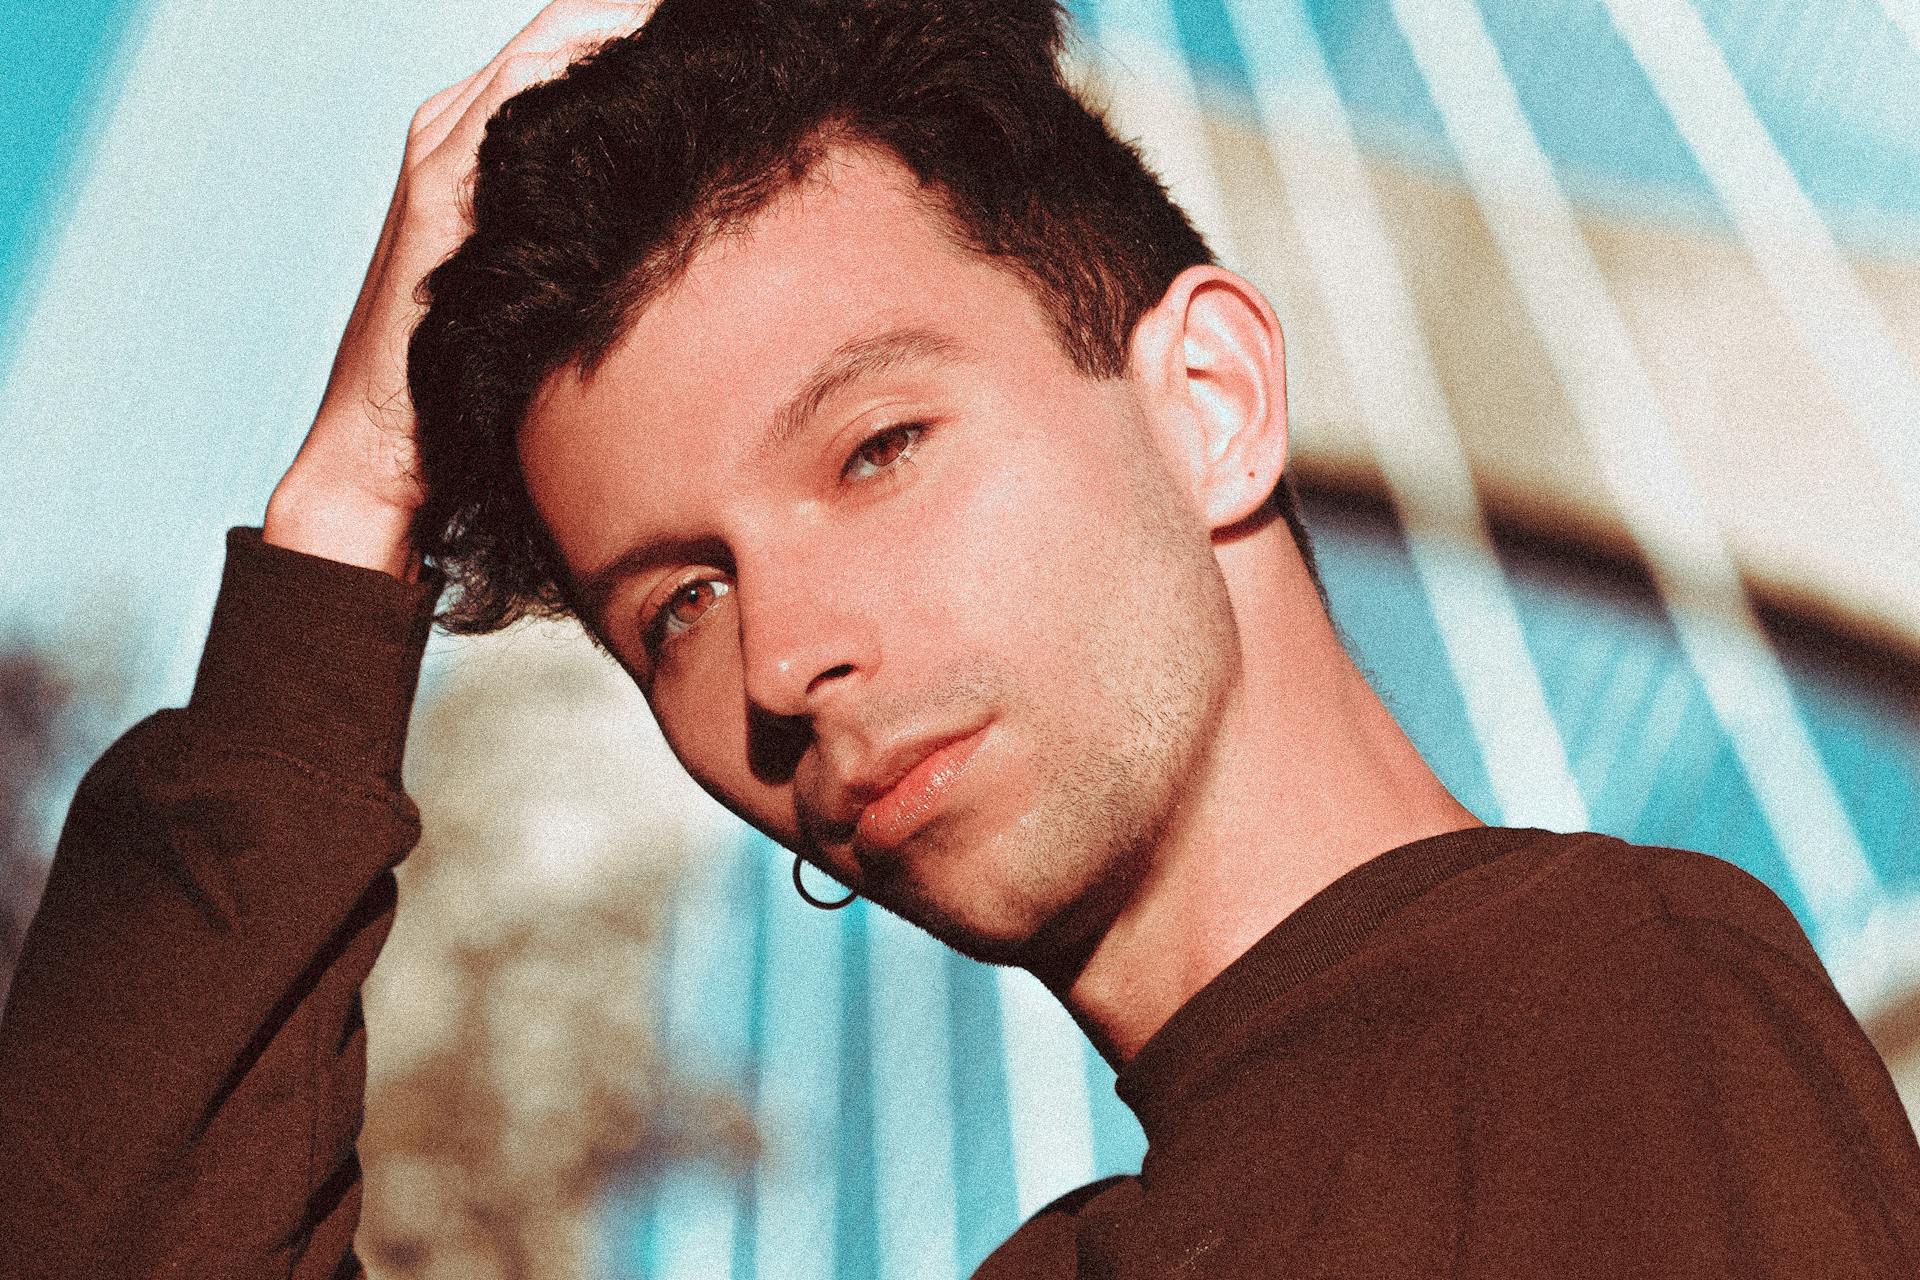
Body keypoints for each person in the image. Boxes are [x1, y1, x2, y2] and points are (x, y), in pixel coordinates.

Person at [2, 0, 1917, 1275]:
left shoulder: (1592, 1015)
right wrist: (350, 512)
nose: (782, 663)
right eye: (677, 602)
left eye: (878, 447)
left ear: (1216, 398)